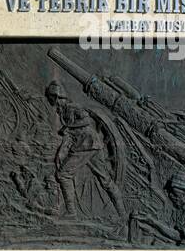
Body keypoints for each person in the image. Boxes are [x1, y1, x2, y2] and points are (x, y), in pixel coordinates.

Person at [45, 80, 125, 219]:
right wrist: (61, 151)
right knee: (105, 180)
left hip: (86, 144)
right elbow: (69, 135)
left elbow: (87, 121)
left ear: (58, 97)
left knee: (63, 175)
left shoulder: (73, 107)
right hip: (90, 145)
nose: (53, 102)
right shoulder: (63, 111)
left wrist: (69, 127)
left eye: (52, 98)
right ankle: (122, 215)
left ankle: (71, 212)